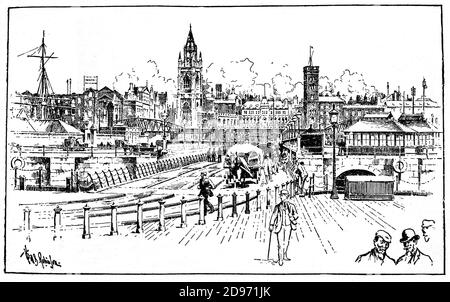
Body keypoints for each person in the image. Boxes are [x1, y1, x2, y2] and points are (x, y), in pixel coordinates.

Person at [269, 189, 299, 266]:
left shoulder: (291, 206)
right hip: (280, 226)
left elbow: (296, 215)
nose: (282, 197)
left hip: (288, 226)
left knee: (286, 242)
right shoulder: (278, 206)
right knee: (280, 244)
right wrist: (271, 224)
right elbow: (274, 216)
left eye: (283, 195)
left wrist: (292, 216)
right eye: (281, 195)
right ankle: (280, 259)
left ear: (287, 196)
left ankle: (284, 255)